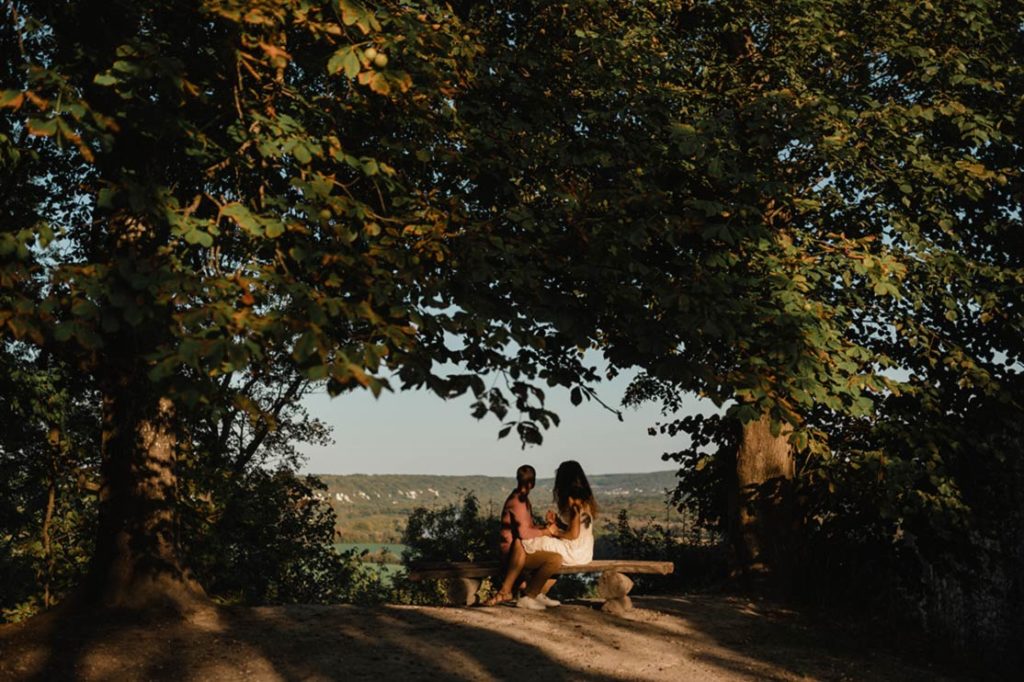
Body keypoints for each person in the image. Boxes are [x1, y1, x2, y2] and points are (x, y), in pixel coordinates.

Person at [487, 460, 599, 611]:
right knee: (543, 546)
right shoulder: (584, 500)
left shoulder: (573, 501)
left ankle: (511, 591)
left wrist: (553, 532)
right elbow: (576, 529)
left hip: (574, 551)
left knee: (523, 542)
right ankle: (530, 592)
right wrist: (557, 524)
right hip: (585, 551)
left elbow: (572, 534)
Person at [483, 464, 563, 610]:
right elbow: (524, 534)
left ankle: (533, 593)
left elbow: (528, 528)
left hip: (522, 549)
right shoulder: (517, 502)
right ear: (532, 484)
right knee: (555, 559)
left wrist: (547, 526)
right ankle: (530, 595)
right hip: (514, 553)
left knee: (557, 556)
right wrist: (546, 532)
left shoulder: (522, 499)